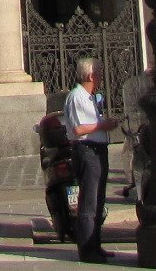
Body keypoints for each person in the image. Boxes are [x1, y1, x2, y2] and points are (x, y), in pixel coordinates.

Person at [62, 56, 115, 263]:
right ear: (91, 75)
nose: (101, 76)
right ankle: (87, 249)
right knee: (89, 201)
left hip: (98, 149)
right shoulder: (77, 97)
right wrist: (103, 125)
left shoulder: (91, 97)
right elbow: (78, 129)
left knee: (98, 199)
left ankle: (96, 244)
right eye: (99, 72)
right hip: (86, 149)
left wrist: (104, 123)